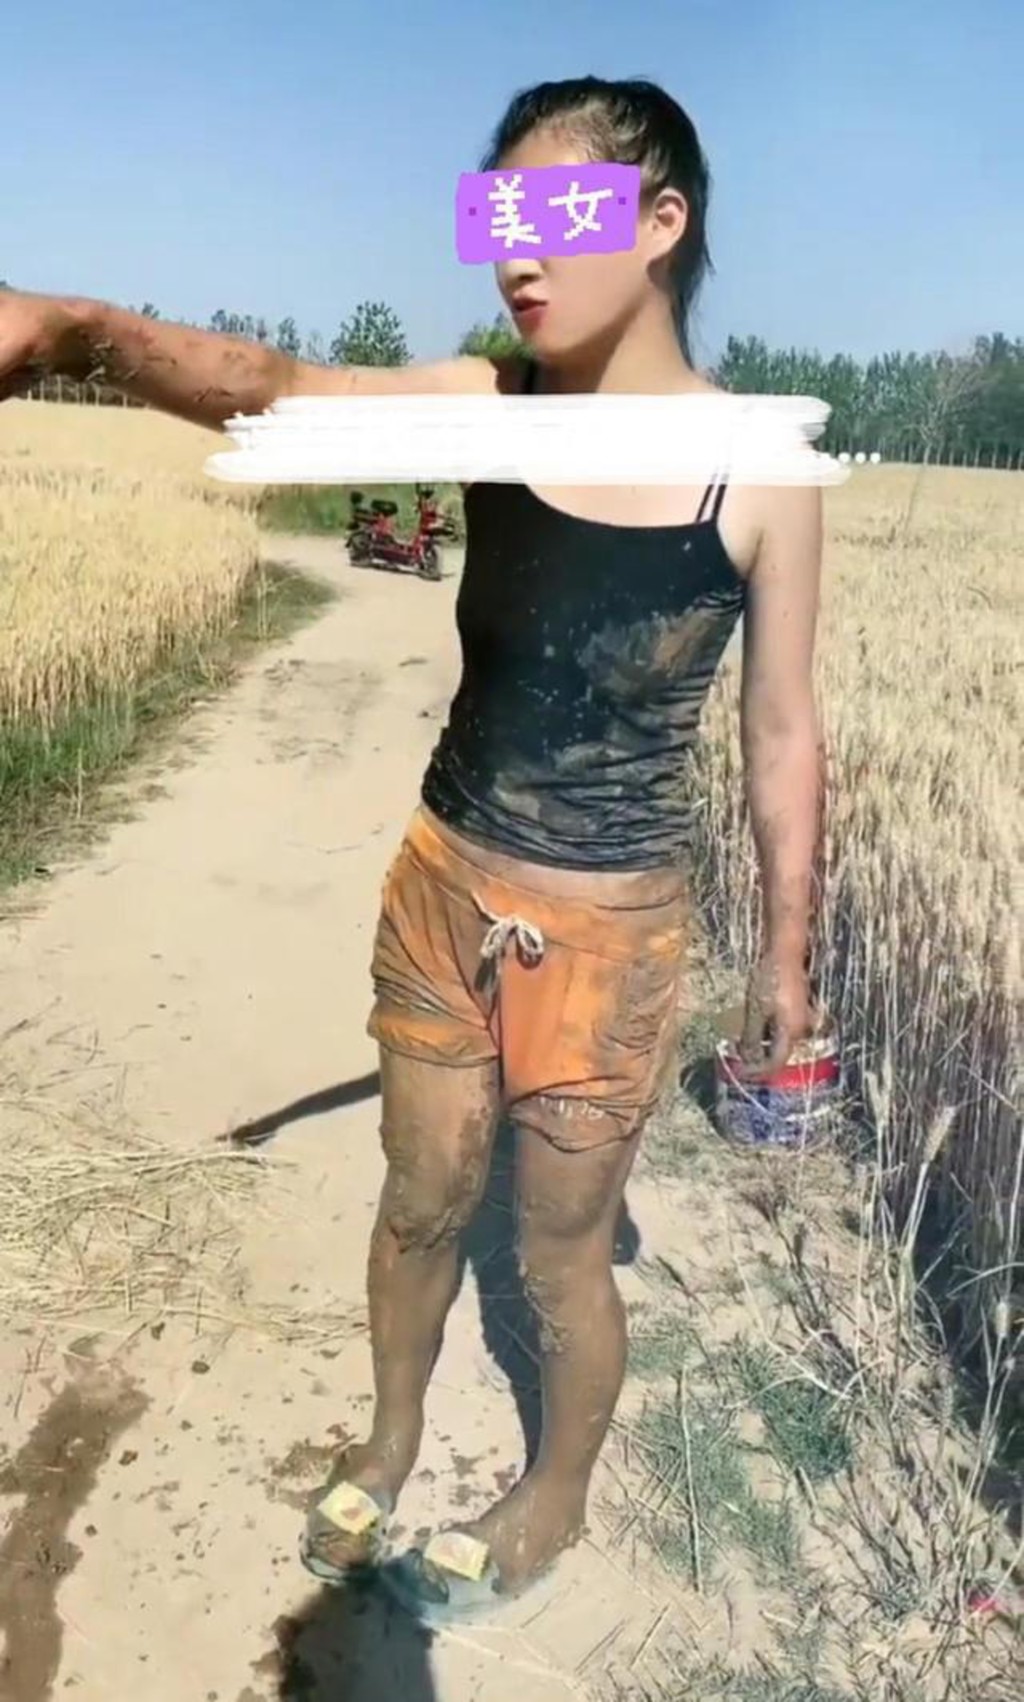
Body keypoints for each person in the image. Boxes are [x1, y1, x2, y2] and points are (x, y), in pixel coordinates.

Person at [0, 76, 825, 1625]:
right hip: (445, 886)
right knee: (420, 1192)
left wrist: (787, 957)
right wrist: (75, 331)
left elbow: (782, 731)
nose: (515, 250)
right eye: (495, 216)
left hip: (607, 941)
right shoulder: (488, 404)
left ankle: (553, 1489)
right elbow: (284, 390)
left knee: (560, 1255)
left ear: (660, 222)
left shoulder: (757, 469)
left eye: (553, 212)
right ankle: (388, 1434)